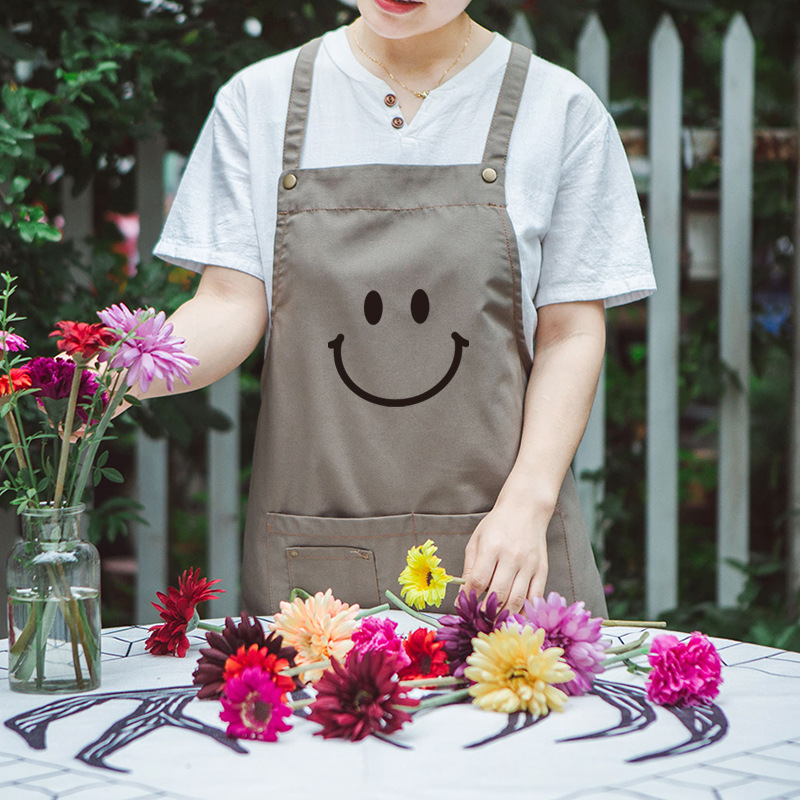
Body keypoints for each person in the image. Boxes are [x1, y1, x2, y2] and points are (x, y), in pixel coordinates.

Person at [145, 0, 655, 617]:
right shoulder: (260, 103)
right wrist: (107, 374)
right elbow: (229, 305)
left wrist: (528, 502)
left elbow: (570, 333)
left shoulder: (561, 111)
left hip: (503, 557)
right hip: (315, 568)